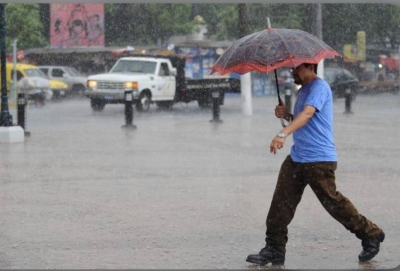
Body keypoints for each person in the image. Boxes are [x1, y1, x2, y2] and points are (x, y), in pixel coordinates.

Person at [246, 63, 384, 266]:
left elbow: (308, 114)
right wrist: (286, 115)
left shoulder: (320, 87)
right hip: (297, 158)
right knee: (280, 204)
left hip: (319, 159)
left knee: (333, 203)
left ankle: (371, 234)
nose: (293, 72)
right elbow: (303, 119)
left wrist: (283, 133)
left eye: (297, 68)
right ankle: (274, 249)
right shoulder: (303, 91)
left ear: (310, 66)